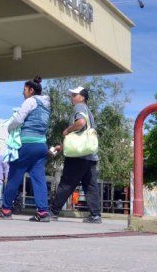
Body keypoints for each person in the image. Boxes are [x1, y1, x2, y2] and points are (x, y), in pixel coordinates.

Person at [1, 76, 51, 222]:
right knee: (39, 179)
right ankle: (42, 212)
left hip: (26, 144)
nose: (22, 93)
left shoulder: (30, 101)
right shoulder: (47, 106)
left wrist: (10, 128)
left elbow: (19, 119)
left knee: (14, 176)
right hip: (41, 146)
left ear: (31, 90)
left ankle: (5, 209)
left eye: (24, 90)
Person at [52, 86, 102, 224]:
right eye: (72, 95)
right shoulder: (89, 112)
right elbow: (80, 137)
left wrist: (67, 130)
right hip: (90, 155)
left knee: (67, 183)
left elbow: (80, 123)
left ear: (82, 97)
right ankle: (95, 215)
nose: (72, 98)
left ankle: (53, 211)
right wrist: (62, 147)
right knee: (91, 186)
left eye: (74, 95)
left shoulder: (79, 107)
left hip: (78, 157)